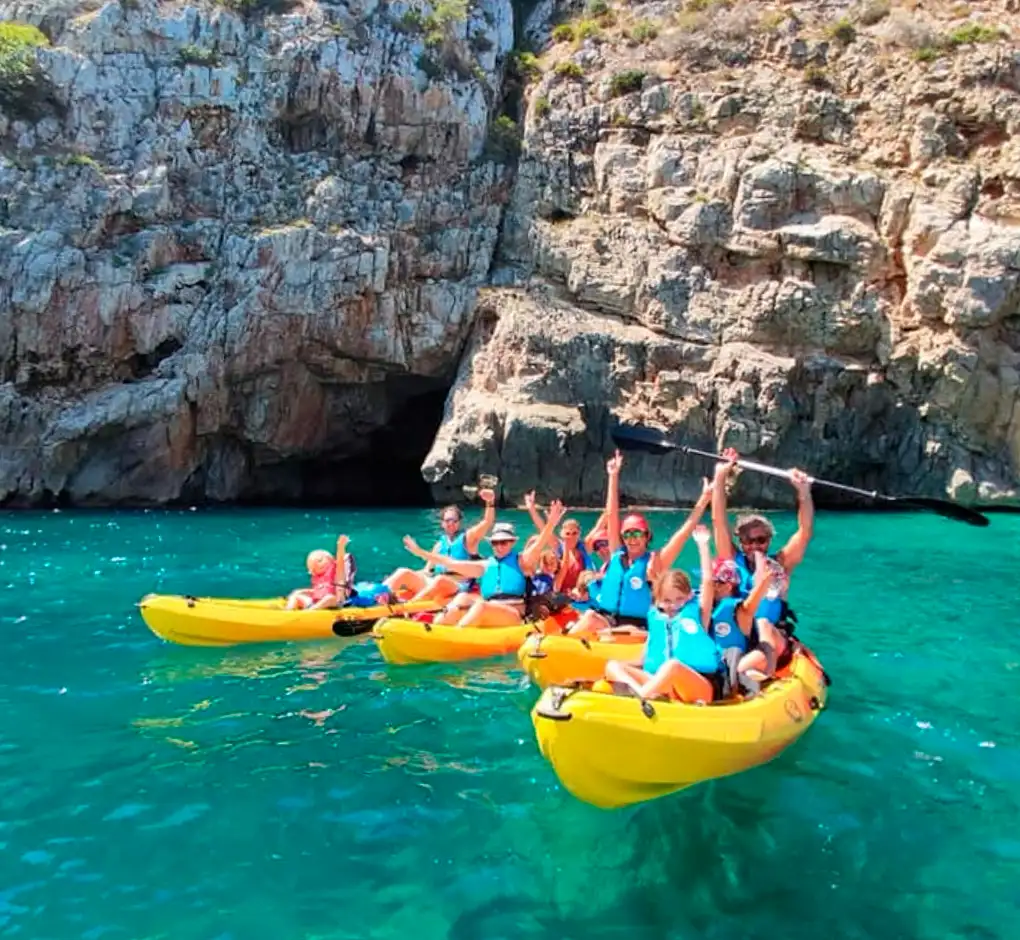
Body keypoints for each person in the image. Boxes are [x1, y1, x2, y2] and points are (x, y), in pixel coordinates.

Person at [567, 450, 713, 638]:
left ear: (646, 536)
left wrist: (703, 500)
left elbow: (682, 534)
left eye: (637, 533)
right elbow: (612, 514)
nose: (632, 538)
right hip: (608, 619)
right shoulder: (616, 554)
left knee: (615, 633)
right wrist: (613, 476)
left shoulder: (655, 561)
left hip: (637, 627)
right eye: (627, 534)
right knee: (588, 617)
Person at [710, 449, 814, 666]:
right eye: (749, 540)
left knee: (765, 623)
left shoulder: (781, 564)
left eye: (761, 540)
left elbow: (804, 532)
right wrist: (720, 477)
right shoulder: (732, 559)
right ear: (740, 541)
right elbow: (719, 521)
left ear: (769, 540)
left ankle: (761, 669)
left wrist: (803, 492)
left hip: (772, 636)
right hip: (740, 635)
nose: (755, 546)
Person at [603, 526, 725, 703]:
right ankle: (641, 694)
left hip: (698, 685)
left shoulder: (699, 614)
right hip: (663, 685)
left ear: (690, 596)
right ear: (658, 600)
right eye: (667, 601)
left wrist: (703, 546)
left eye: (679, 599)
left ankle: (641, 698)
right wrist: (623, 669)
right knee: (613, 666)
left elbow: (707, 580)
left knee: (672, 666)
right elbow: (643, 659)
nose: (673, 606)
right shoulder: (655, 619)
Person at [401, 502, 566, 628]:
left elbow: (540, 543)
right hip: (490, 609)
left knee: (480, 605)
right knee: (462, 598)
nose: (499, 546)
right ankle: (435, 629)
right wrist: (420, 552)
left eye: (504, 542)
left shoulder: (523, 561)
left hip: (514, 613)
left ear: (511, 543)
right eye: (496, 543)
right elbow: (450, 562)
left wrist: (551, 523)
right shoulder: (486, 565)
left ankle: (456, 634)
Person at [384, 488, 496, 603]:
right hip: (435, 582)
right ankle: (375, 597)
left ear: (459, 522)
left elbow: (487, 522)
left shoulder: (468, 539)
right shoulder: (439, 545)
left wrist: (490, 502)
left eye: (454, 520)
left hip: (457, 586)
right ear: (442, 523)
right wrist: (410, 576)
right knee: (403, 572)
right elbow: (427, 571)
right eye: (447, 521)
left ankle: (408, 607)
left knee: (440, 580)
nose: (451, 524)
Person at [284, 535, 393, 610]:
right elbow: (319, 590)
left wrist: (340, 547)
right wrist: (303, 592)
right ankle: (287, 613)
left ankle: (309, 613)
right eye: (316, 562)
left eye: (321, 560)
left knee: (329, 598)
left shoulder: (335, 573)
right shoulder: (317, 576)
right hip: (317, 601)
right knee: (296, 594)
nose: (319, 562)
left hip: (336, 602)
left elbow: (340, 561)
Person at [522, 493, 592, 593]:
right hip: (559, 595)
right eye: (567, 533)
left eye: (574, 533)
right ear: (561, 534)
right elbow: (543, 530)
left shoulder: (584, 548)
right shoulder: (559, 547)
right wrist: (531, 509)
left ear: (579, 534)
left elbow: (603, 523)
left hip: (580, 594)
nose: (571, 537)